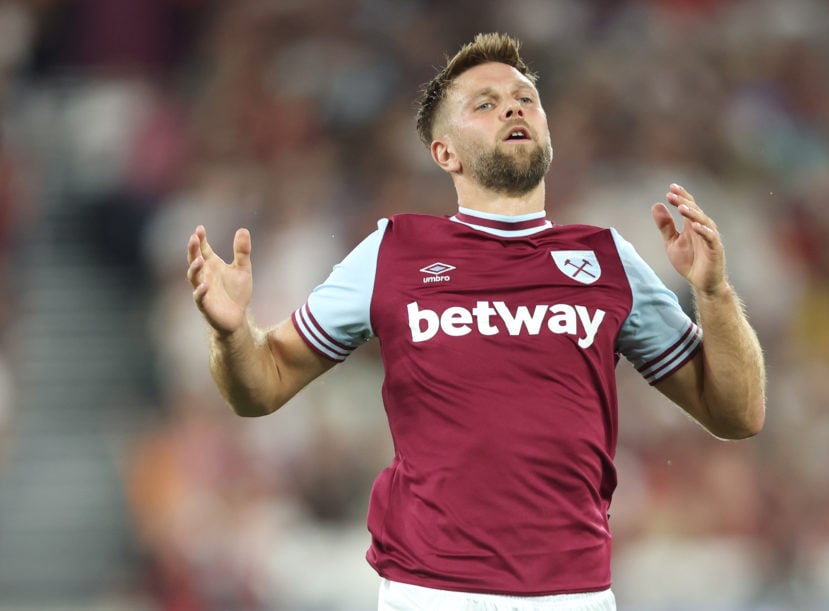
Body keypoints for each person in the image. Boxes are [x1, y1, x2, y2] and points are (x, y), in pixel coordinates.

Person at [185, 32, 765, 611]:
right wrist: (232, 332)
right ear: (445, 152)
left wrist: (711, 291)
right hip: (431, 594)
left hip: (575, 596)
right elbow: (260, 389)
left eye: (525, 98)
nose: (513, 107)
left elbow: (737, 414)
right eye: (484, 104)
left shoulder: (608, 259)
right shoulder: (393, 250)